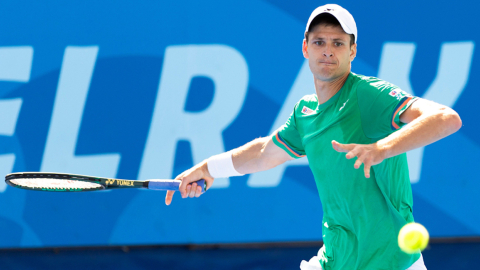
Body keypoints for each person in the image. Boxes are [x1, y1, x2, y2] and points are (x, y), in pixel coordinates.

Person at [164, 4, 462, 270]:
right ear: (305, 47)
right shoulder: (305, 113)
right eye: (319, 42)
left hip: (392, 262)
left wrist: (382, 148)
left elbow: (446, 119)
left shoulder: (368, 95)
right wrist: (208, 168)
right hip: (337, 258)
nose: (328, 50)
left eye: (338, 43)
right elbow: (265, 152)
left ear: (352, 51)